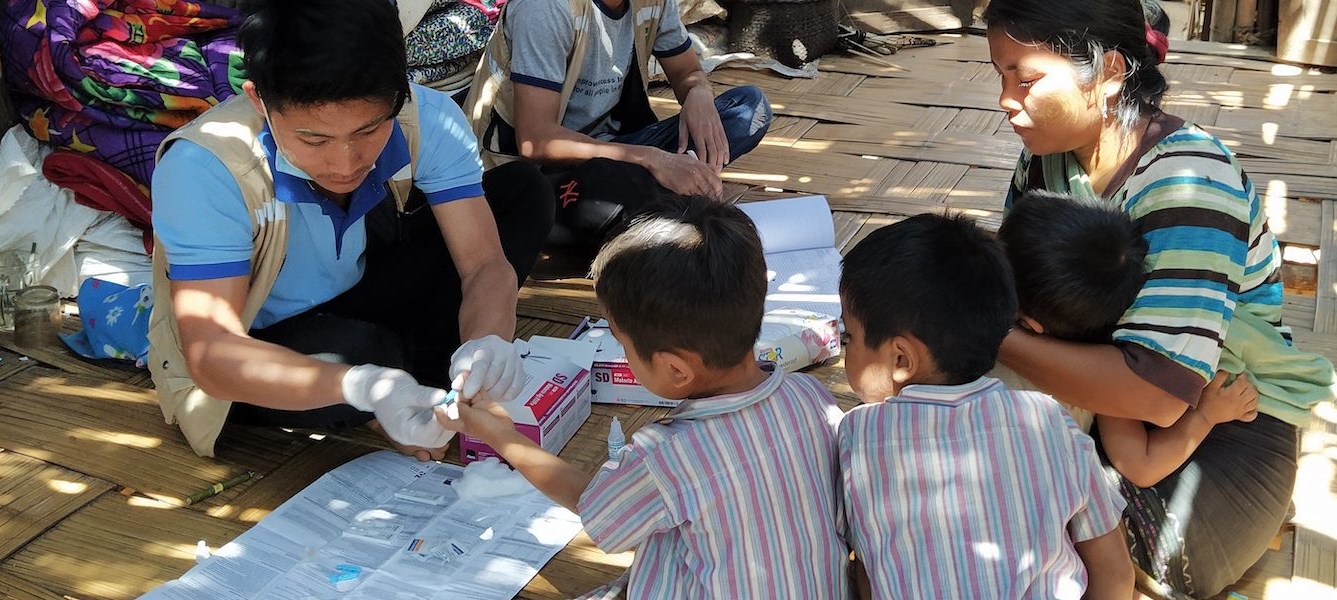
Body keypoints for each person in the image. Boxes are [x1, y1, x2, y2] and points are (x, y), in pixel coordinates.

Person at [984, 0, 1337, 596]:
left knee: (998, 489)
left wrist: (983, 327)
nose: (1006, 99)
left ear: (1110, 72)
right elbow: (1011, 276)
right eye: (999, 75)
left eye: (1026, 79)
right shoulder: (1047, 158)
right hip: (1114, 399)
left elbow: (1158, 392)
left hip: (1222, 436)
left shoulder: (1191, 184)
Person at [148, 0, 546, 460]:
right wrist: (362, 386)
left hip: (360, 295)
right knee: (357, 353)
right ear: (259, 100)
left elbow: (483, 265)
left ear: (401, 92)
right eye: (312, 139)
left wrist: (486, 342)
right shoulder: (204, 166)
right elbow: (213, 355)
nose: (345, 163)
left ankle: (442, 381)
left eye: (369, 129)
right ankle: (390, 387)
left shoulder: (428, 118)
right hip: (264, 351)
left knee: (521, 191)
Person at [438, 196, 850, 599]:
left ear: (676, 369)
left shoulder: (667, 455)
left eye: (622, 342)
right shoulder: (810, 395)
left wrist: (501, 435)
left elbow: (593, 508)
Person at [837, 213, 1132, 600]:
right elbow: (1114, 573)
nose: (844, 348)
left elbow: (868, 575)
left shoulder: (857, 436)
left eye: (849, 336)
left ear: (901, 359)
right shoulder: (1049, 420)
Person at [999, 190, 1262, 489]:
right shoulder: (1103, 374)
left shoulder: (960, 319)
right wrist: (1206, 415)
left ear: (1029, 325)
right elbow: (1142, 465)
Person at [465, 0, 773, 238]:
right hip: (531, 174)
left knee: (748, 109)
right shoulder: (548, 8)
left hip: (615, 149)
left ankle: (657, 205)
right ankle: (663, 200)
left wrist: (698, 95)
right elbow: (536, 142)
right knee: (602, 202)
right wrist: (652, 159)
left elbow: (688, 72)